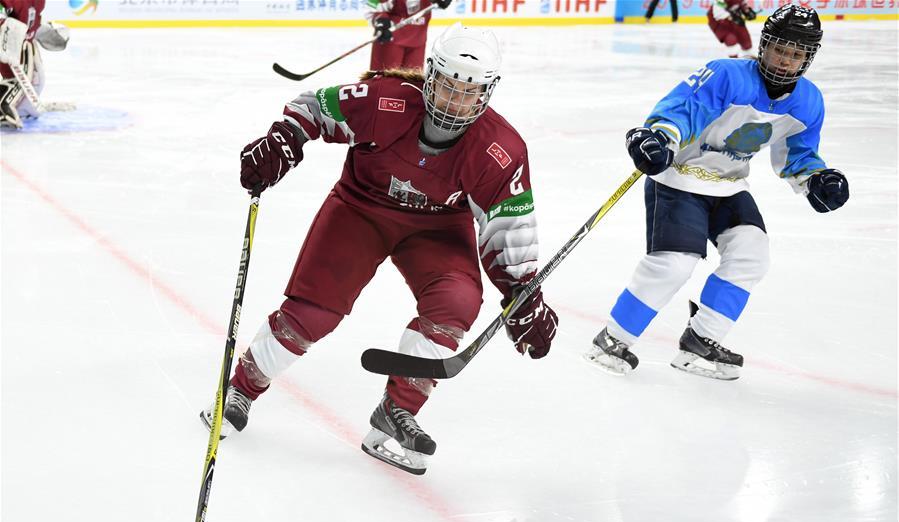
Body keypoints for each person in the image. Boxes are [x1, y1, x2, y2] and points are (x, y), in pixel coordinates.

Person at [201, 23, 558, 475]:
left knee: (457, 301)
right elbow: (313, 106)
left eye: (469, 93)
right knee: (312, 313)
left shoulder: (499, 149)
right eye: (449, 87)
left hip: (437, 229)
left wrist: (523, 293)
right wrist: (285, 138)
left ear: (488, 93)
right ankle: (241, 389)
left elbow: (510, 230)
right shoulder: (385, 100)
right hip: (359, 211)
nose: (455, 102)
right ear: (430, 75)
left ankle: (395, 412)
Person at [585, 5, 849, 381]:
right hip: (678, 179)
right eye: (780, 49)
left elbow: (799, 154)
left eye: (796, 54)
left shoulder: (808, 101)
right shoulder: (727, 75)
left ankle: (701, 340)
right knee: (675, 264)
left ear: (808, 58)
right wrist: (660, 137)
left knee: (752, 255)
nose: (785, 61)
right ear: (765, 44)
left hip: (728, 186)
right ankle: (612, 340)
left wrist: (816, 179)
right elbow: (685, 110)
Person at [0, 0, 70, 129]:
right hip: (6, 47)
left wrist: (43, 30)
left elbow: (30, 22)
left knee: (35, 87)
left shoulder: (38, 2)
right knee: (22, 86)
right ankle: (2, 106)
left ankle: (14, 104)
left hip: (19, 49)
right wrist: (4, 27)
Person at [368, 0, 451, 72]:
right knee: (383, 84)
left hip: (418, 40)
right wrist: (380, 21)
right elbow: (373, 6)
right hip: (390, 39)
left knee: (411, 85)